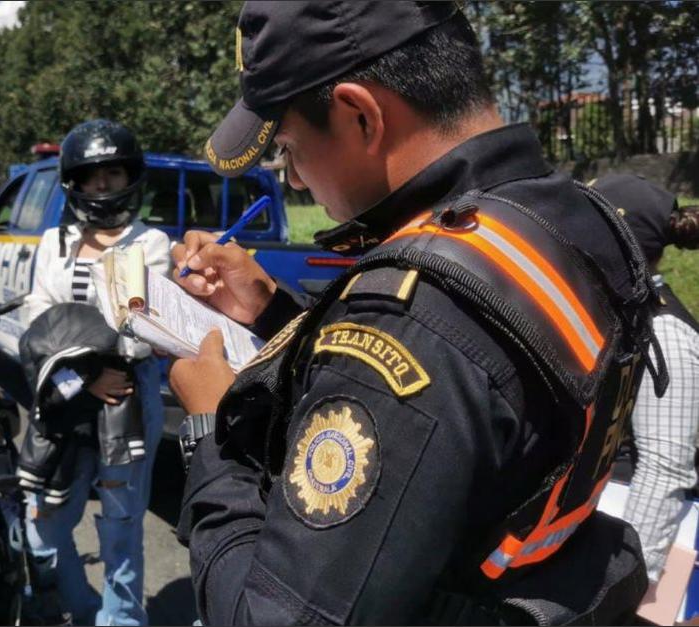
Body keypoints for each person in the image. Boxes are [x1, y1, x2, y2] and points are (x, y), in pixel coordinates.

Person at [168, 2, 667, 624]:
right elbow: (490, 387)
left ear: (360, 114)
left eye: (289, 147)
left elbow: (272, 616)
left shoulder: (414, 313)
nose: (293, 179)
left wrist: (210, 431)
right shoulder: (566, 218)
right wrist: (271, 313)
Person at [21, 119, 171, 626]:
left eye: (113, 172)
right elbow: (36, 323)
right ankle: (75, 605)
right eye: (91, 175)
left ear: (130, 175)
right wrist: (87, 372)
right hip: (65, 393)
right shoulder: (53, 243)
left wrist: (81, 341)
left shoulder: (150, 243)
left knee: (121, 522)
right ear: (74, 183)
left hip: (127, 397)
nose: (102, 184)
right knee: (48, 513)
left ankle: (121, 618)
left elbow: (140, 332)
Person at [592, 174, 699, 584]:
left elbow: (665, 467)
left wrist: (625, 581)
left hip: (627, 532)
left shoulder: (665, 332)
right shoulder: (620, 311)